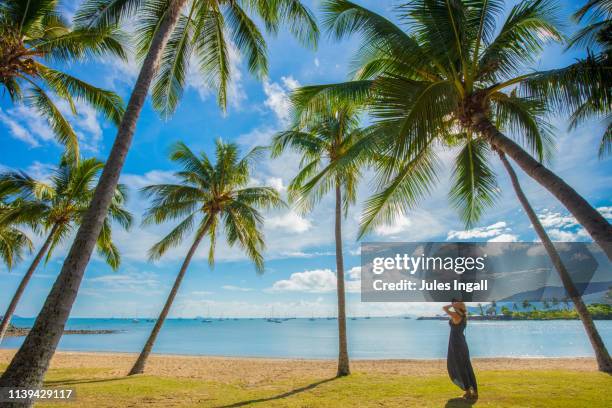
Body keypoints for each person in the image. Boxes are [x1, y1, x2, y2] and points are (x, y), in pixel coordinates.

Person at [443, 298, 478, 400]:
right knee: (466, 366)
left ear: (459, 305)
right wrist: (456, 305)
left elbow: (444, 308)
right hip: (460, 343)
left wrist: (452, 305)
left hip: (456, 345)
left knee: (460, 367)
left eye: (455, 303)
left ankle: (468, 391)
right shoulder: (462, 315)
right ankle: (474, 391)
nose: (453, 304)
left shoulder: (457, 315)